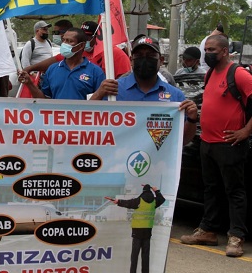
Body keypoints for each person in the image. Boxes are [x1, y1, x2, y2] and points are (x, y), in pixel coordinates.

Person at [180, 34, 252, 257]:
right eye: (206, 49)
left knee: (234, 191)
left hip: (229, 144)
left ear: (224, 52)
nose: (208, 53)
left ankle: (236, 236)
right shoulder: (210, 73)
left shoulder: (238, 74)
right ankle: (208, 230)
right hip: (207, 142)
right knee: (210, 189)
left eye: (212, 50)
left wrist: (245, 131)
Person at [90, 35, 198, 143]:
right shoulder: (112, 89)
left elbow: (183, 141)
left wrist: (192, 119)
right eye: (139, 55)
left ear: (161, 60)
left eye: (150, 55)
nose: (145, 59)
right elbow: (86, 123)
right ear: (131, 60)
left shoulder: (176, 96)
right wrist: (98, 95)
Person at [17, 28, 106, 100]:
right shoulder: (52, 69)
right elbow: (44, 101)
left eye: (70, 41)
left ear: (81, 46)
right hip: (57, 121)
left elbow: (101, 105)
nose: (65, 44)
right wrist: (29, 84)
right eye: (64, 40)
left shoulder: (95, 72)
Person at [106, 185, 165, 273]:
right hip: (148, 232)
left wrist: (117, 201)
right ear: (150, 191)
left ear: (143, 191)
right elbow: (162, 199)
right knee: (146, 256)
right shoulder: (154, 202)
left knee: (134, 257)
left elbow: (127, 203)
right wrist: (156, 190)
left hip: (137, 233)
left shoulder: (138, 201)